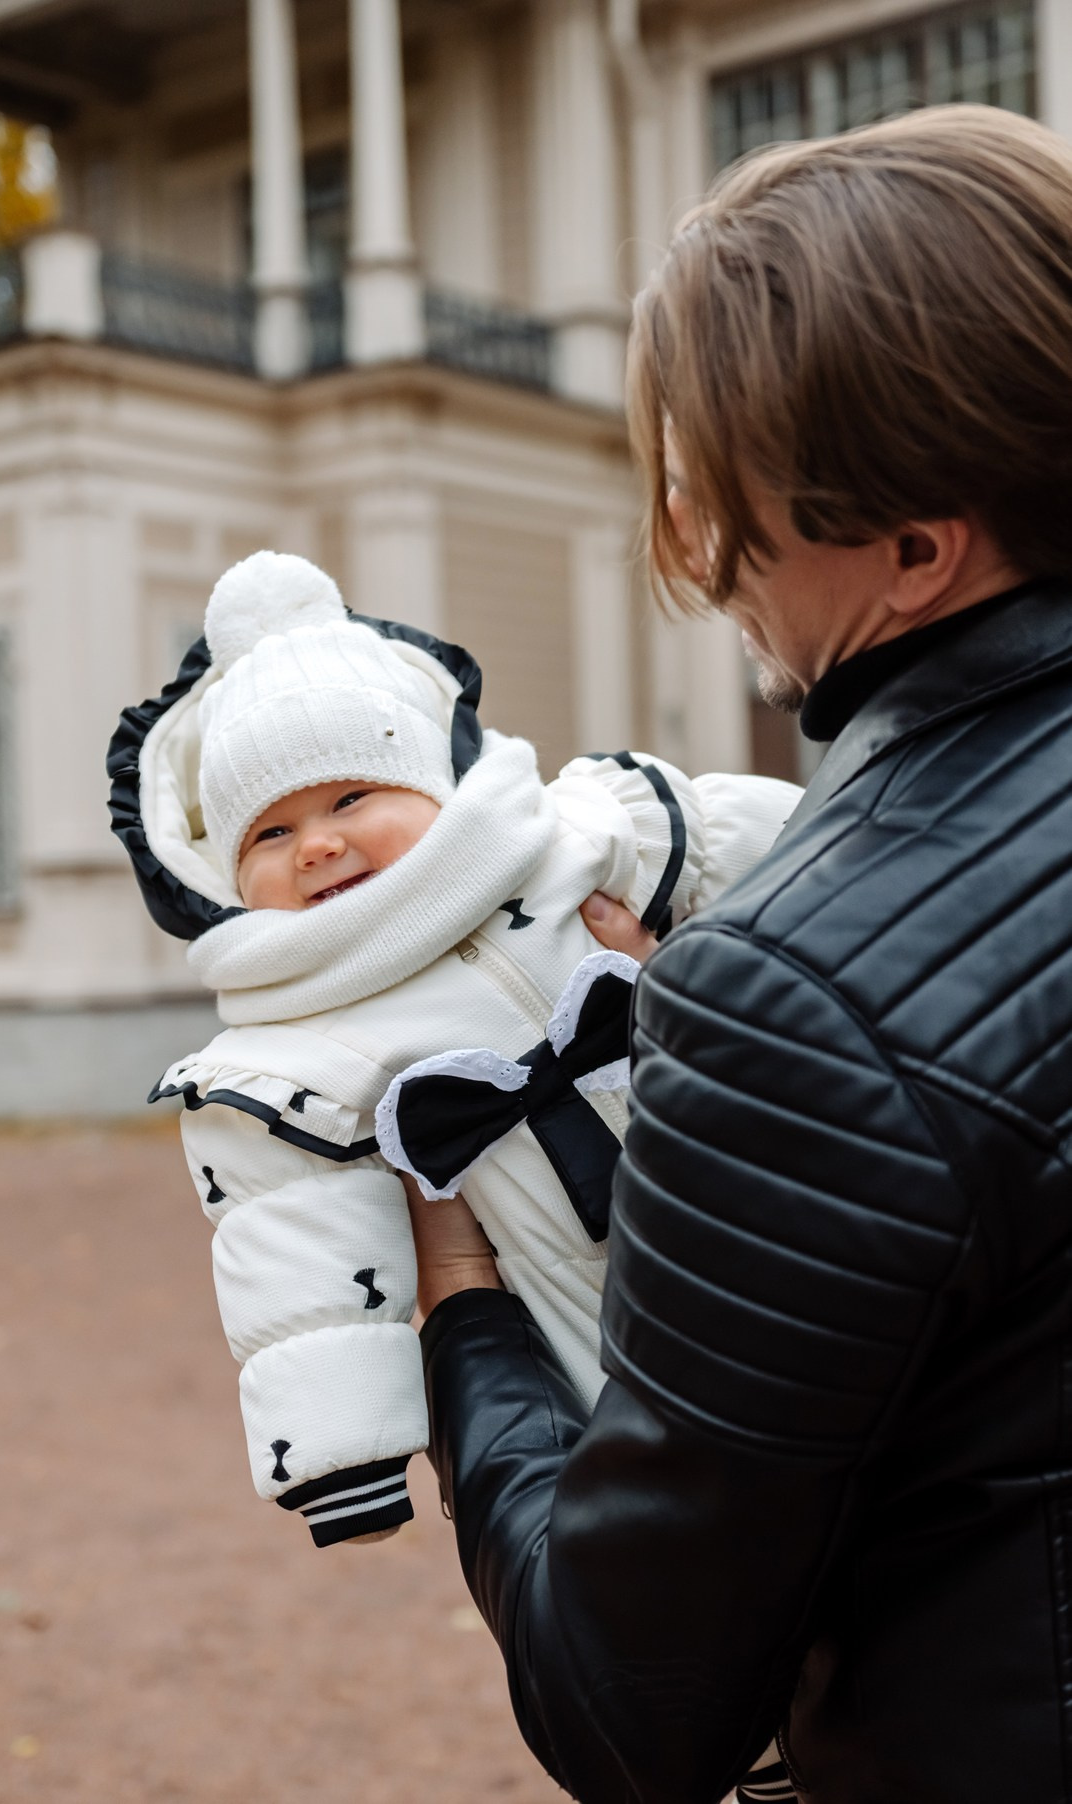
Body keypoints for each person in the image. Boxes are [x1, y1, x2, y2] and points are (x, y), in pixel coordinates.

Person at [411, 104, 1072, 1803]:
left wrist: (466, 1314)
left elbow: (628, 1703)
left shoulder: (787, 1002)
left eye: (719, 479)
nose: (694, 536)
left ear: (917, 546)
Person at [106, 548, 797, 1551]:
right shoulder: (288, 1043)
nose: (316, 844)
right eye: (269, 835)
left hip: (772, 1211)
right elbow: (297, 1248)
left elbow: (796, 855)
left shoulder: (567, 837)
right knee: (699, 1535)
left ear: (431, 782)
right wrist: (343, 1461)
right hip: (584, 1327)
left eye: (350, 799)